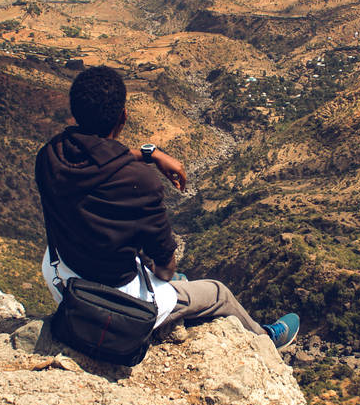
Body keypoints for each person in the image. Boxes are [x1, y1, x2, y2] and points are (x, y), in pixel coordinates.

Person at [34, 65, 299, 349]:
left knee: (165, 273)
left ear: (75, 111)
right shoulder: (140, 183)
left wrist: (150, 154)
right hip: (116, 304)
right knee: (217, 293)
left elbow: (101, 155)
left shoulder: (51, 155)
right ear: (123, 116)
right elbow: (165, 270)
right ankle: (266, 341)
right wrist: (166, 274)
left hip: (63, 278)